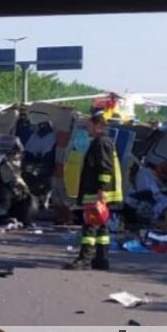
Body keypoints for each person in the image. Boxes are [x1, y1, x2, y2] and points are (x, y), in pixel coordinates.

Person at [65, 110, 124, 270]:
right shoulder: (104, 141)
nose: (88, 129)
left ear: (99, 125)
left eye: (90, 125)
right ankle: (101, 259)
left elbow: (105, 168)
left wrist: (101, 190)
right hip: (100, 191)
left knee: (90, 225)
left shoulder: (101, 142)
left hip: (96, 192)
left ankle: (84, 259)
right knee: (102, 226)